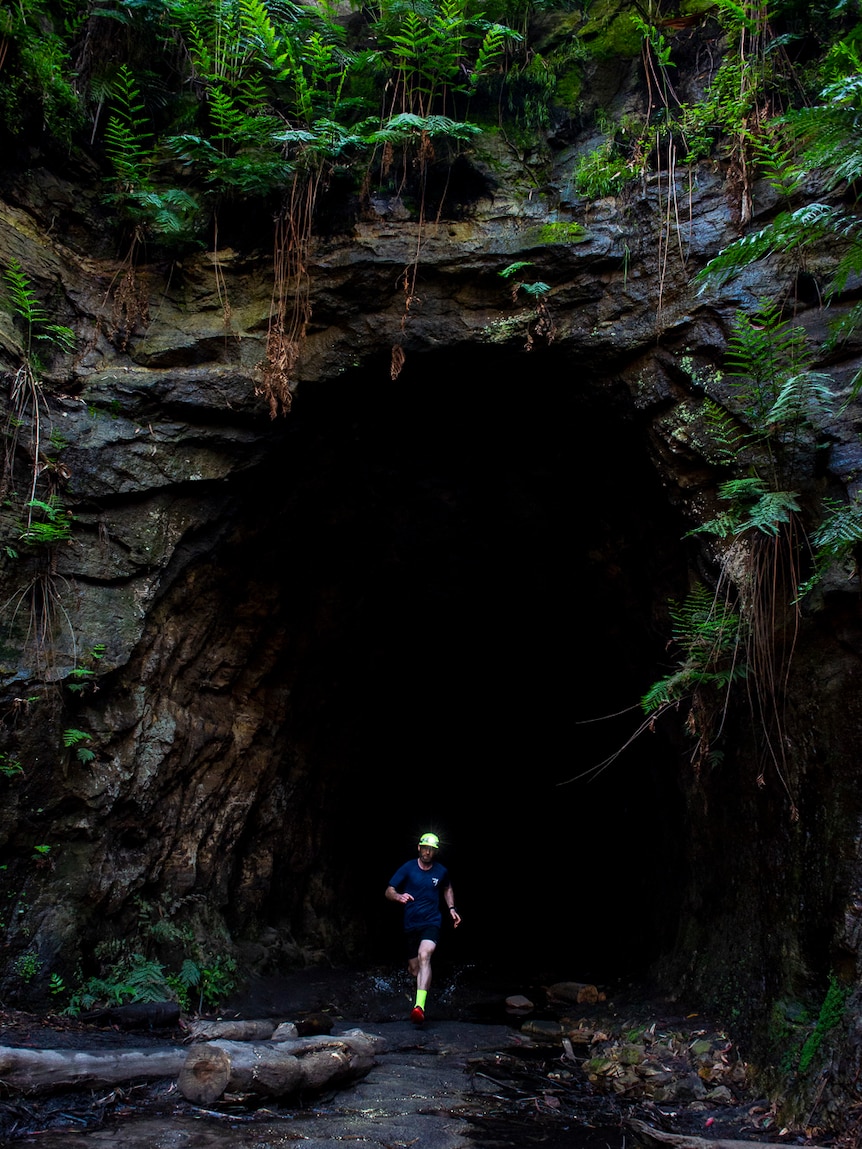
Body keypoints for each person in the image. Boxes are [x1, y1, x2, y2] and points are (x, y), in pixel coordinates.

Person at [385, 832, 461, 1024]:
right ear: (419, 848)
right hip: (411, 924)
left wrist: (451, 908)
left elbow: (447, 888)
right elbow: (389, 890)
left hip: (431, 922)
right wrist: (398, 896)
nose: (428, 852)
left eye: (432, 849)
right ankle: (418, 997)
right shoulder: (408, 868)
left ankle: (419, 1007)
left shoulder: (441, 871)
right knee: (414, 969)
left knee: (425, 954)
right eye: (425, 848)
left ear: (436, 852)